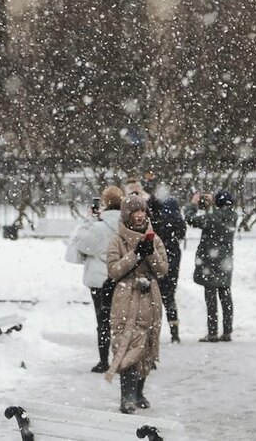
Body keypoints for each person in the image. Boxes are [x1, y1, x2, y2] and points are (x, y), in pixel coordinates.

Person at [106, 195, 169, 414]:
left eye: (142, 211)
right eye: (135, 212)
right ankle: (127, 397)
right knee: (128, 344)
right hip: (126, 298)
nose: (140, 215)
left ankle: (139, 392)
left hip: (150, 298)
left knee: (147, 347)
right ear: (127, 215)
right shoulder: (117, 240)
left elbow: (162, 269)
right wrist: (135, 254)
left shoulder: (154, 238)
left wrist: (150, 252)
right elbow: (113, 271)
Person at [125, 174, 186, 343]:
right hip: (171, 255)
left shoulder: (146, 210)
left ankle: (150, 332)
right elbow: (181, 230)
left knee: (151, 295)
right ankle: (174, 331)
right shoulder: (171, 206)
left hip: (154, 255)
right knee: (169, 295)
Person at [73, 186, 124, 373]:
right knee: (123, 320)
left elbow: (82, 245)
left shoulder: (98, 227)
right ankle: (124, 358)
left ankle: (104, 361)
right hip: (121, 276)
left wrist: (90, 220)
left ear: (104, 203)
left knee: (103, 321)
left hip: (99, 279)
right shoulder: (127, 224)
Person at [187, 190, 238, 343]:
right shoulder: (233, 216)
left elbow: (190, 219)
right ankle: (227, 331)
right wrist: (213, 204)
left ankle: (212, 333)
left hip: (210, 262)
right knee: (226, 296)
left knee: (211, 298)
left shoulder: (212, 218)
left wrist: (193, 204)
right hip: (225, 262)